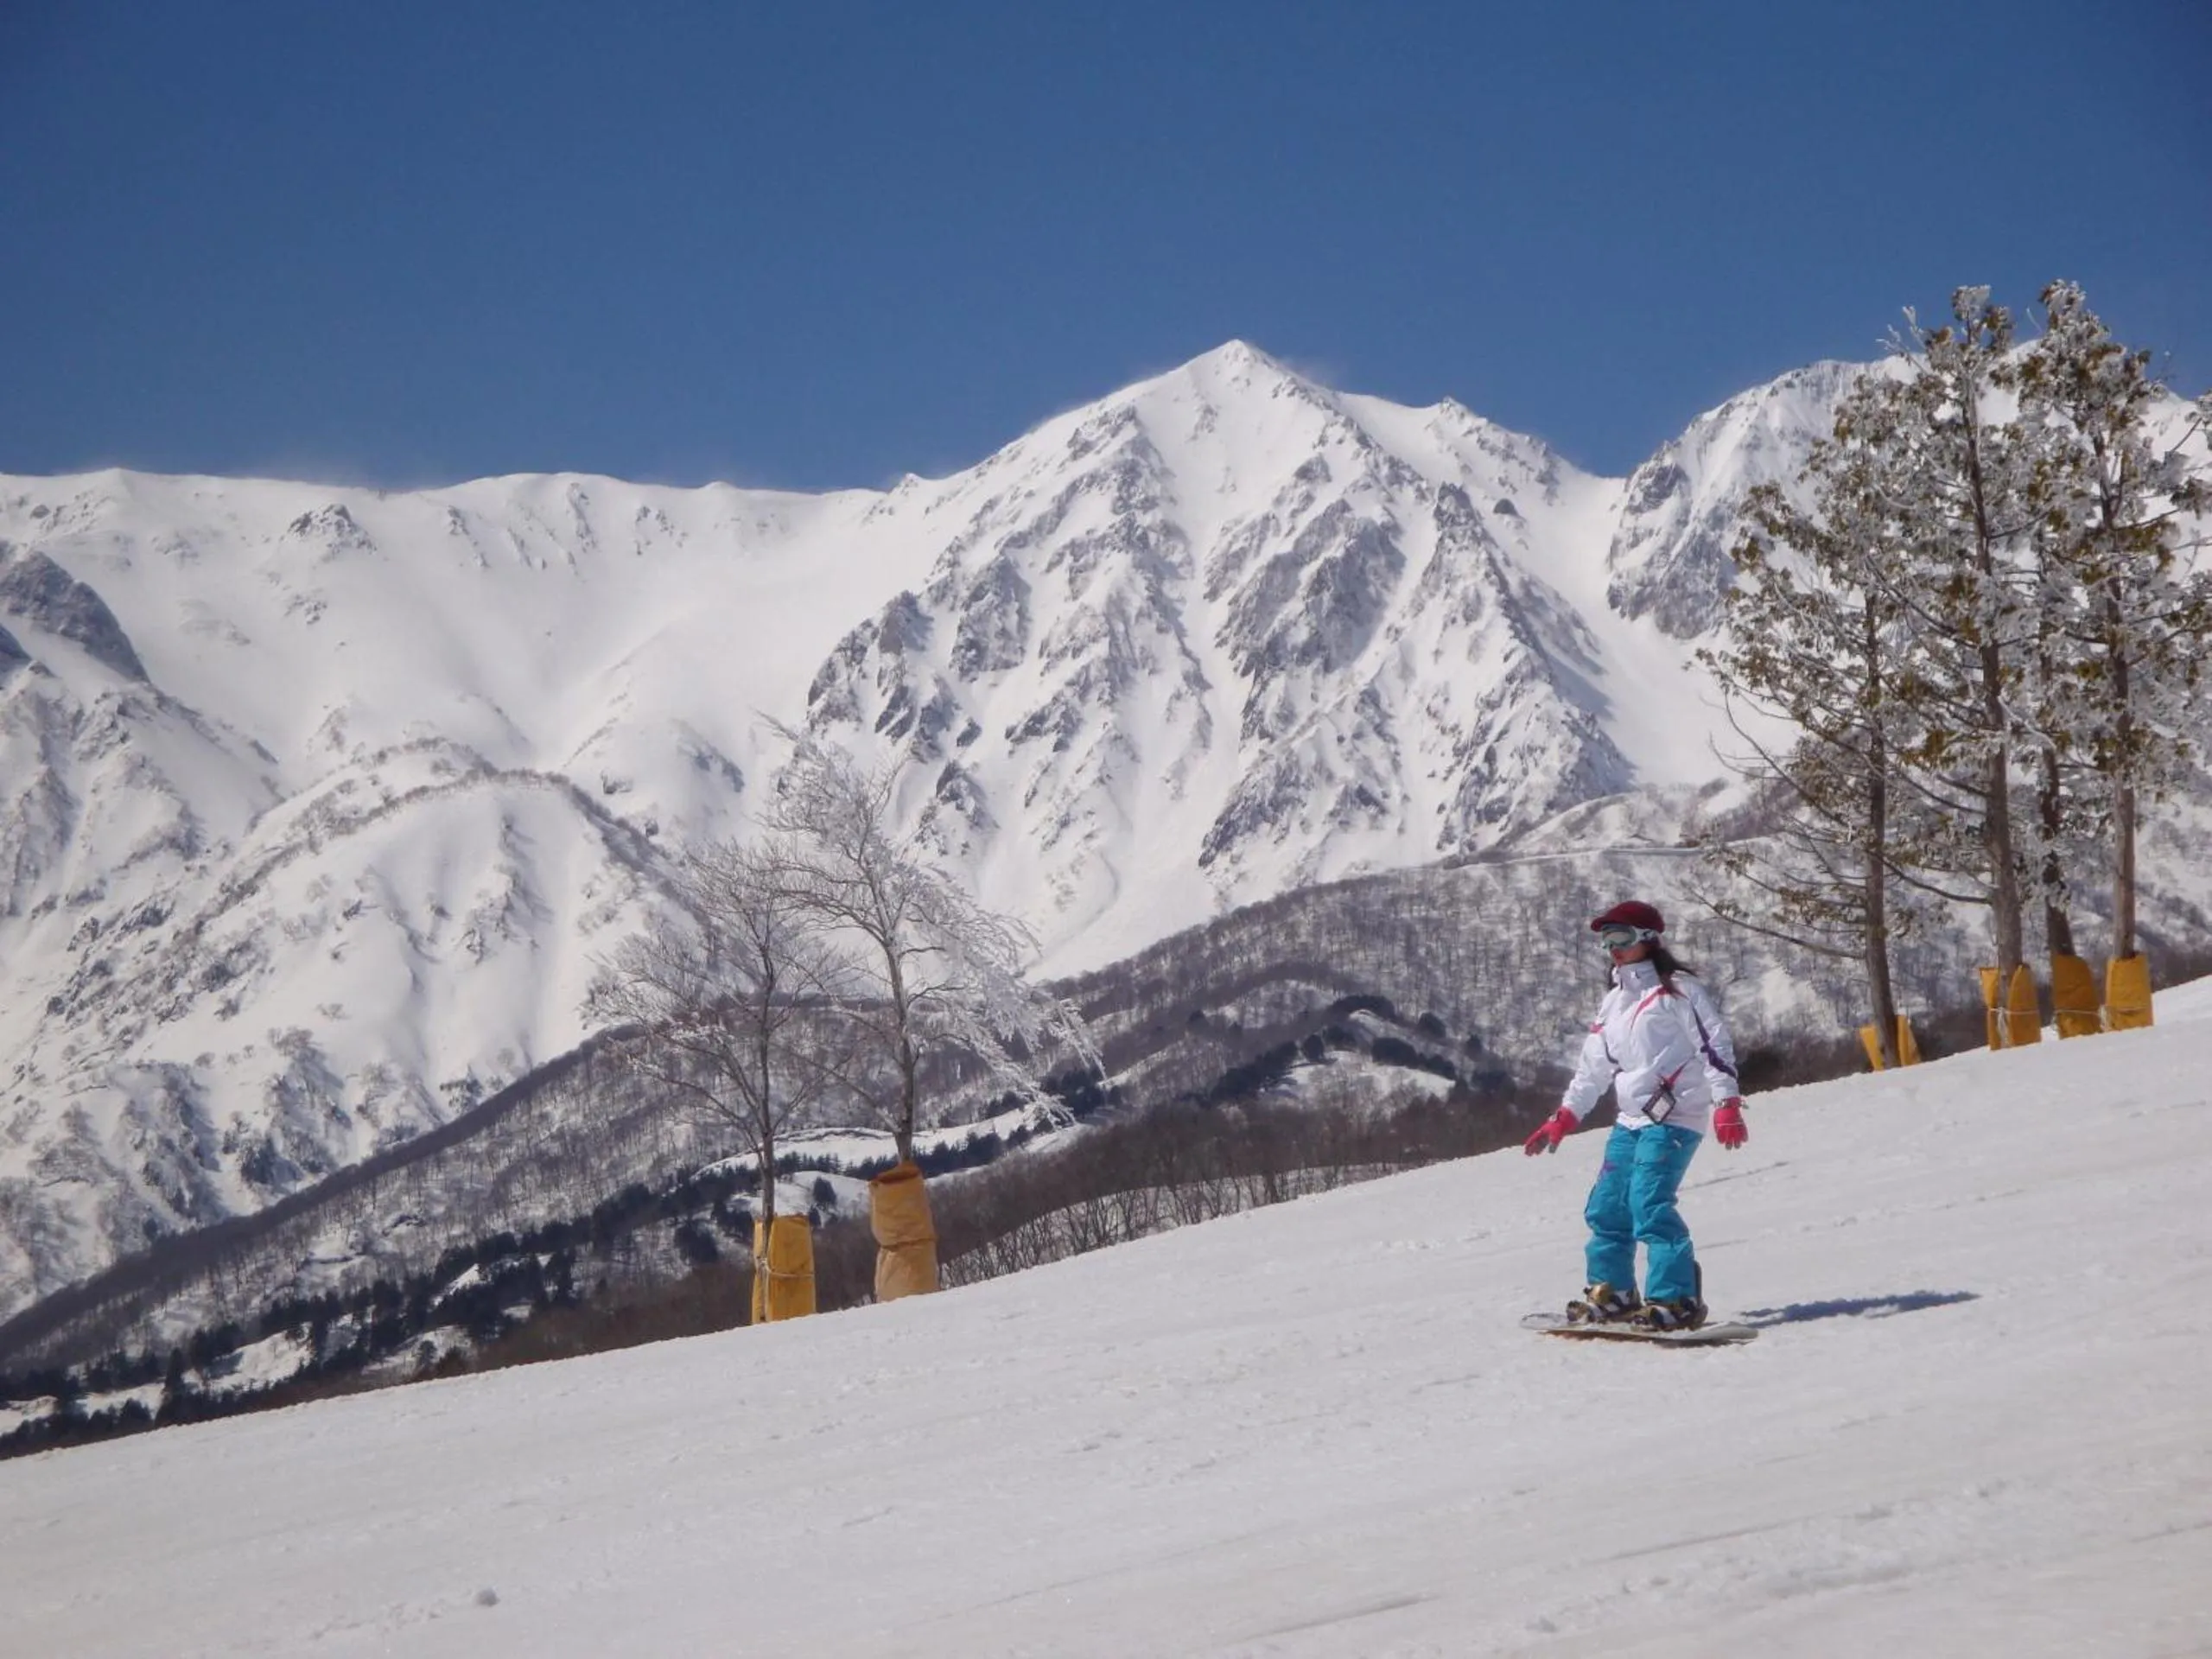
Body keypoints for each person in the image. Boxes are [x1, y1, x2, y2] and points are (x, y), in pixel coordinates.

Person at [1522, 900, 1747, 1330]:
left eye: (1622, 938)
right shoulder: (1615, 1002)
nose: (1613, 948)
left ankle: (1675, 1298)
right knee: (1607, 1208)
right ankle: (1613, 1293)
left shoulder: (1678, 991)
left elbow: (1714, 1046)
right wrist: (1565, 1116)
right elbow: (1593, 1068)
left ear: (1648, 939)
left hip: (1676, 1117)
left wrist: (1727, 1103)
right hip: (1630, 1120)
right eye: (1606, 940)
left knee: (1649, 1204)